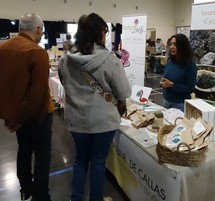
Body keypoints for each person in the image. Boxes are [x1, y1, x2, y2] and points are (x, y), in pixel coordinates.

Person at [58, 13, 131, 201]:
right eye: (105, 33)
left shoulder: (66, 59)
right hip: (103, 121)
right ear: (99, 33)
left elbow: (63, 82)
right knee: (98, 162)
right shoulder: (109, 59)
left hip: (76, 120)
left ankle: (76, 197)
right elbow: (124, 92)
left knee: (80, 160)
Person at [0, 13, 54, 201]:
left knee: (23, 150)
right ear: (38, 29)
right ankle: (41, 196)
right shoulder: (37, 52)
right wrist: (20, 119)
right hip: (38, 115)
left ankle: (25, 189)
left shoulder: (3, 48)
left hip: (17, 115)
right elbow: (37, 93)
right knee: (41, 157)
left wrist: (12, 117)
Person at [160, 33, 197, 112]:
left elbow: (190, 88)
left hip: (180, 105)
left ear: (183, 47)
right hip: (166, 101)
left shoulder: (190, 65)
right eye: (171, 44)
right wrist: (163, 82)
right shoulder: (170, 61)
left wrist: (172, 85)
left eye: (175, 44)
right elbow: (166, 75)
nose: (171, 47)